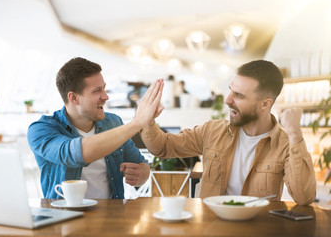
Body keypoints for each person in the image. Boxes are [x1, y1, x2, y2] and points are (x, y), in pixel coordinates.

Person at [141, 60, 316, 205]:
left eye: (239, 95)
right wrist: (147, 121)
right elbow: (162, 147)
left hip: (257, 230)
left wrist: (294, 134)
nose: (227, 99)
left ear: (265, 104)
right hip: (210, 226)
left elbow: (304, 198)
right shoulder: (212, 131)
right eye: (231, 89)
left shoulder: (285, 144)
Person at [27, 57, 163, 199]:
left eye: (104, 88)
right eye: (97, 91)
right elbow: (77, 154)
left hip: (110, 216)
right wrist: (137, 122)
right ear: (73, 98)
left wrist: (140, 175)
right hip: (64, 216)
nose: (106, 96)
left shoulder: (113, 122)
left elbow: (142, 165)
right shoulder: (42, 130)